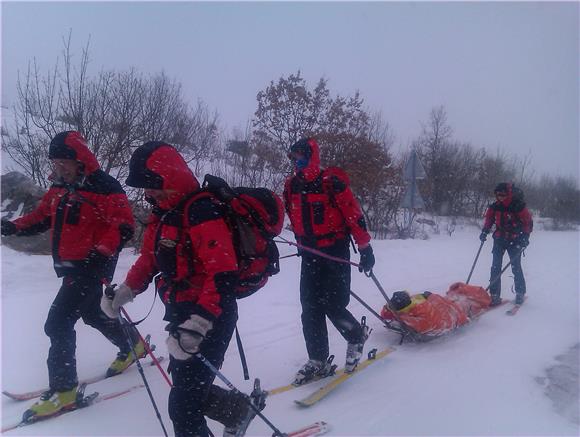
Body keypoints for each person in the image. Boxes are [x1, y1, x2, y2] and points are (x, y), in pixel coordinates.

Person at [100, 141, 263, 437]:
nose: (146, 193)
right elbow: (149, 258)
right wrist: (126, 290)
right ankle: (237, 412)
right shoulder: (162, 213)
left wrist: (199, 324)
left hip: (212, 316)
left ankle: (237, 412)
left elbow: (222, 273)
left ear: (168, 179)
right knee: (187, 390)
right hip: (182, 313)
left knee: (183, 406)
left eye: (150, 185)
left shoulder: (202, 213)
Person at [0, 131, 141, 419]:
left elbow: (122, 225)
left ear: (80, 160)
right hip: (72, 266)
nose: (58, 167)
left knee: (58, 322)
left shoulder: (105, 187)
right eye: (55, 161)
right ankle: (132, 345)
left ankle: (63, 392)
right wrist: (15, 227)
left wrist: (100, 252)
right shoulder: (59, 187)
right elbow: (42, 216)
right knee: (91, 313)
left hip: (93, 266)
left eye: (63, 161)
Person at [283, 137, 375, 384]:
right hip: (309, 254)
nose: (297, 162)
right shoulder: (292, 185)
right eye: (294, 157)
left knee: (333, 304)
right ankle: (318, 359)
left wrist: (365, 247)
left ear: (312, 156)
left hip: (335, 251)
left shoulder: (330, 183)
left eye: (301, 156)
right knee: (310, 307)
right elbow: (289, 213)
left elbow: (354, 215)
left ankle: (356, 335)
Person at [479, 182, 533, 306]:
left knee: (515, 267)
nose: (500, 197)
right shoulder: (495, 206)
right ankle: (494, 295)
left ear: (508, 194)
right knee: (495, 267)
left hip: (515, 240)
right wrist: (485, 231)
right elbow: (489, 219)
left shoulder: (518, 206)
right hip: (499, 238)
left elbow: (527, 223)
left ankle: (520, 293)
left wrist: (525, 236)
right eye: (498, 195)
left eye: (502, 195)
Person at [380, 282, 492, 337]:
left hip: (445, 305)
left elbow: (386, 312)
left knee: (458, 297)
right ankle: (477, 298)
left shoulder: (405, 306)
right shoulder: (414, 313)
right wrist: (431, 297)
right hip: (450, 312)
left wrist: (429, 296)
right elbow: (430, 322)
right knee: (464, 301)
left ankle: (471, 296)